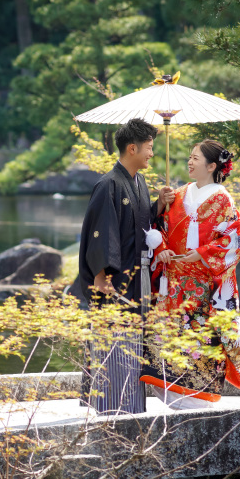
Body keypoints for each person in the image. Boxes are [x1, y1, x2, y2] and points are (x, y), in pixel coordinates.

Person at [140, 139, 240, 410]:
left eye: (196, 159)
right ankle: (171, 395)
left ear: (212, 166)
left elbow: (232, 239)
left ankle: (195, 400)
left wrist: (201, 253)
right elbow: (158, 227)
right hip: (173, 284)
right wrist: (162, 247)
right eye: (189, 157)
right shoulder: (177, 194)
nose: (190, 162)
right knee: (166, 338)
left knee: (198, 340)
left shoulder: (223, 199)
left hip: (202, 285)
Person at [78, 118, 174, 414]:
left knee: (135, 343)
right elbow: (100, 231)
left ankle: (131, 409)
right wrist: (99, 274)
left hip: (138, 278)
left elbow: (140, 224)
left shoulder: (138, 182)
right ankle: (111, 409)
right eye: (148, 148)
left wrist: (159, 204)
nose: (151, 154)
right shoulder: (108, 184)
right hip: (116, 281)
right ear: (132, 148)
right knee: (116, 342)